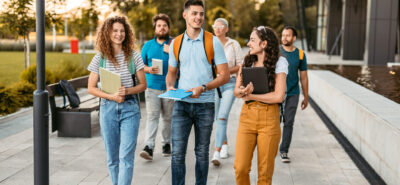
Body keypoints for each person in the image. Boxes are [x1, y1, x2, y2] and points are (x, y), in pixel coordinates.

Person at [165, 0, 229, 184]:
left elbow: (224, 76)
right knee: (177, 153)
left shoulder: (213, 41)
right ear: (185, 15)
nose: (198, 17)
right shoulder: (176, 43)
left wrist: (204, 87)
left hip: (205, 105)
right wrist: (170, 88)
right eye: (194, 13)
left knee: (201, 154)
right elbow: (171, 74)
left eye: (201, 14)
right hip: (182, 105)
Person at [87, 16, 146, 185]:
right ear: (107, 33)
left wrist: (126, 90)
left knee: (126, 157)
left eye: (122, 31)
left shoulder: (134, 57)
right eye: (115, 31)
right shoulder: (100, 58)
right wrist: (111, 96)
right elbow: (91, 87)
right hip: (108, 109)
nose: (119, 34)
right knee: (113, 159)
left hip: (130, 108)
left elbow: (143, 85)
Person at [233, 26, 288, 185]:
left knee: (264, 174)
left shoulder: (280, 62)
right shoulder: (246, 61)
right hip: (247, 118)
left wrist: (251, 95)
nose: (248, 43)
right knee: (240, 168)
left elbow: (278, 96)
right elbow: (236, 91)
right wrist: (243, 91)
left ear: (264, 44)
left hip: (269, 120)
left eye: (252, 40)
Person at [139, 13, 174, 161]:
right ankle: (149, 147)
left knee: (167, 118)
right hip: (152, 87)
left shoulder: (174, 44)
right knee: (152, 117)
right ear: (155, 28)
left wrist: (171, 51)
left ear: (168, 28)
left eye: (164, 26)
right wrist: (148, 69)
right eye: (159, 25)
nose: (162, 28)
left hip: (169, 88)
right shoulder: (147, 45)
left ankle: (166, 143)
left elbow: (183, 62)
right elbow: (140, 66)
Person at [210, 17, 243, 166]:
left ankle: (216, 152)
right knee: (218, 117)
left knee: (222, 116)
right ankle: (224, 144)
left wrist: (225, 71)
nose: (218, 29)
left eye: (221, 26)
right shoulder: (210, 43)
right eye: (215, 26)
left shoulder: (233, 44)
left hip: (229, 84)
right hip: (215, 84)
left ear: (226, 29)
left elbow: (240, 65)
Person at [279, 26, 309, 163]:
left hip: (293, 93)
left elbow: (303, 77)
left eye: (288, 35)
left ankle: (284, 150)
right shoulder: (276, 51)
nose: (284, 38)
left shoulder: (301, 54)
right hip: (276, 92)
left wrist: (306, 96)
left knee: (288, 122)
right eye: (283, 35)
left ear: (294, 38)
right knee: (274, 121)